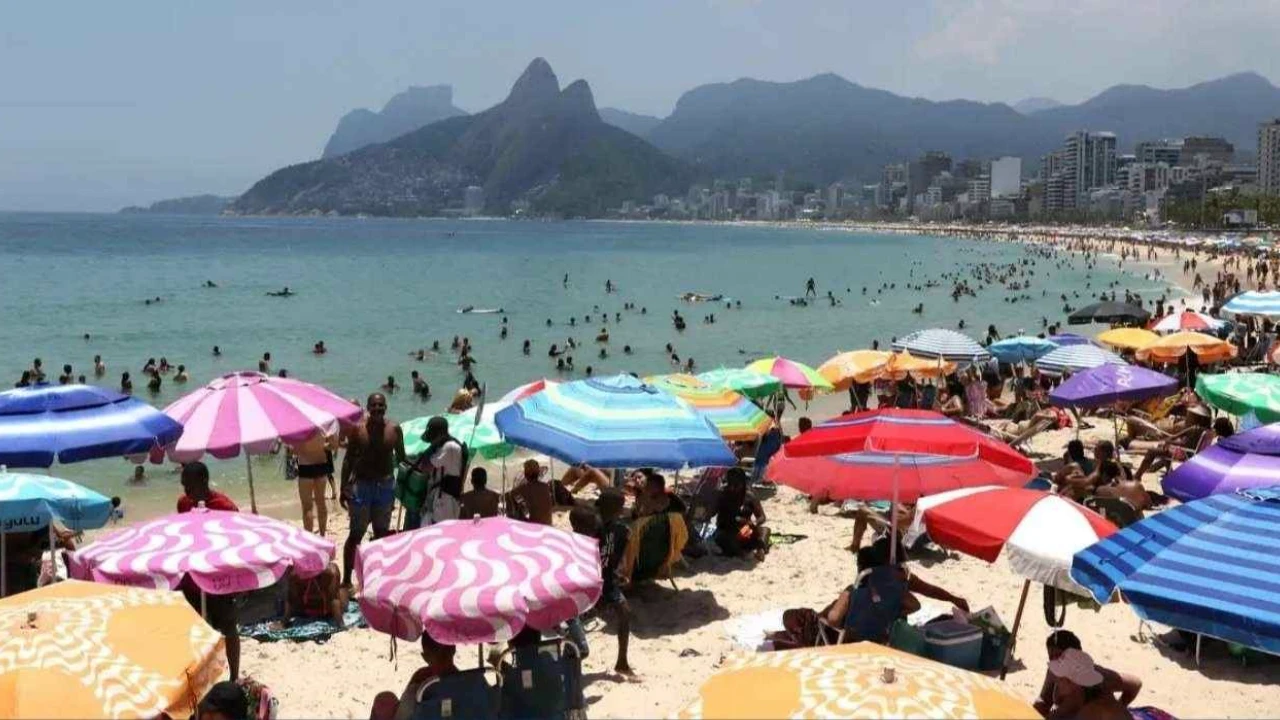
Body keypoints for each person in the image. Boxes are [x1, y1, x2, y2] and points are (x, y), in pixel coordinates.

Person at [176, 462, 240, 680]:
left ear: (203, 482)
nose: (186, 492)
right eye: (184, 486)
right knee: (197, 630)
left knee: (228, 627)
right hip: (192, 577)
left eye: (189, 486)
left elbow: (235, 542)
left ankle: (234, 676)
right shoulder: (183, 504)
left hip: (219, 577)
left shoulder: (225, 507)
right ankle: (203, 676)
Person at [340, 393, 405, 587]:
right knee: (356, 534)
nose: (377, 408)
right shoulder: (358, 430)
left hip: (385, 486)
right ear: (367, 408)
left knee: (381, 534)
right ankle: (346, 580)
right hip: (362, 486)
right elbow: (348, 460)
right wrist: (344, 487)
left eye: (381, 405)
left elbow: (402, 458)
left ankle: (378, 579)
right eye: (374, 405)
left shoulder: (394, 429)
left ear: (386, 407)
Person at [1035, 632, 1141, 720]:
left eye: (1060, 656)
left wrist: (1121, 705)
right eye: (1051, 657)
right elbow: (1044, 699)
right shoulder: (1054, 671)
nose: (1055, 661)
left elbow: (1135, 684)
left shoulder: (1098, 680)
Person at [594, 488, 636, 678]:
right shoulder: (593, 527)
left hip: (607, 581)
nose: (622, 510)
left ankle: (622, 662)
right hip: (590, 581)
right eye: (619, 507)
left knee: (625, 612)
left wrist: (620, 572)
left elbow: (618, 554)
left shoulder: (618, 528)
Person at [370, 634, 458, 720]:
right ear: (453, 649)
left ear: (425, 657)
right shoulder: (464, 680)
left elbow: (404, 710)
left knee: (383, 699)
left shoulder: (421, 679)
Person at [414, 416, 465, 526]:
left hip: (446, 500)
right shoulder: (443, 446)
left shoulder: (449, 447)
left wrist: (427, 452)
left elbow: (426, 467)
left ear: (439, 434)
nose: (431, 441)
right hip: (438, 497)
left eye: (433, 438)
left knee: (441, 531)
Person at [714, 468, 770, 559]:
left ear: (743, 483)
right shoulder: (723, 494)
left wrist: (753, 523)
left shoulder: (749, 496)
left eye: (736, 485)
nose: (732, 488)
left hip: (744, 529)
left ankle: (761, 550)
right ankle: (742, 552)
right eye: (730, 484)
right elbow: (712, 513)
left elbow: (761, 516)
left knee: (764, 530)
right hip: (727, 530)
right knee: (724, 538)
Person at [293, 432, 337, 535]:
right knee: (321, 502)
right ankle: (322, 535)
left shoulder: (301, 429)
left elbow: (293, 450)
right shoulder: (322, 428)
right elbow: (334, 445)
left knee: (307, 507)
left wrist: (303, 448)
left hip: (305, 467)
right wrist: (321, 446)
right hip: (321, 465)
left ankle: (309, 537)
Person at [284, 561, 347, 627]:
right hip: (328, 612)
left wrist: (284, 622)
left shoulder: (294, 573)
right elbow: (334, 600)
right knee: (343, 591)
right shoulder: (332, 571)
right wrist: (341, 624)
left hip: (303, 611)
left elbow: (291, 599)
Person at [507, 459, 554, 525]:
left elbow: (521, 510)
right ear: (538, 473)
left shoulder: (518, 491)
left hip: (531, 527)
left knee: (512, 500)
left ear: (525, 474)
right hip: (547, 525)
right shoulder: (546, 487)